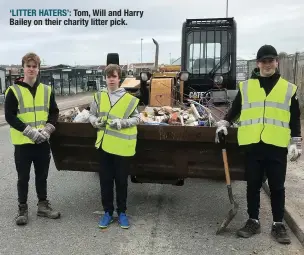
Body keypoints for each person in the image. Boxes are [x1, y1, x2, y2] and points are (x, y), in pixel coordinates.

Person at [215, 45, 302, 244]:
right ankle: (253, 221)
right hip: (253, 145)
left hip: (277, 146)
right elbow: (235, 109)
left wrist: (295, 142)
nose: (268, 64)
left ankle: (278, 224)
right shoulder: (247, 87)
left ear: (276, 62)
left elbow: (295, 118)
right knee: (252, 185)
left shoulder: (288, 89)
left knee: (277, 187)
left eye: (271, 60)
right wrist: (224, 122)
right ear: (258, 64)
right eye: (264, 61)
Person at [5, 52, 61, 225]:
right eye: (28, 66)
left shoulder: (46, 90)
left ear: (38, 69)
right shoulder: (14, 91)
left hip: (42, 142)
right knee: (23, 177)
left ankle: (43, 205)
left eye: (34, 66)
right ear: (23, 67)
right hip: (23, 143)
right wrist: (28, 131)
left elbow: (54, 112)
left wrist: (48, 129)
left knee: (42, 176)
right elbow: (10, 116)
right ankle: (22, 209)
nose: (31, 69)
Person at [89, 64, 140, 229]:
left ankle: (122, 213)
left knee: (121, 181)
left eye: (114, 76)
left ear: (119, 79)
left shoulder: (129, 99)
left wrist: (122, 123)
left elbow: (137, 118)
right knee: (105, 181)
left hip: (121, 147)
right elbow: (92, 114)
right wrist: (94, 121)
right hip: (104, 146)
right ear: (105, 78)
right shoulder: (99, 96)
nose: (111, 79)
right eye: (108, 76)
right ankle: (108, 213)